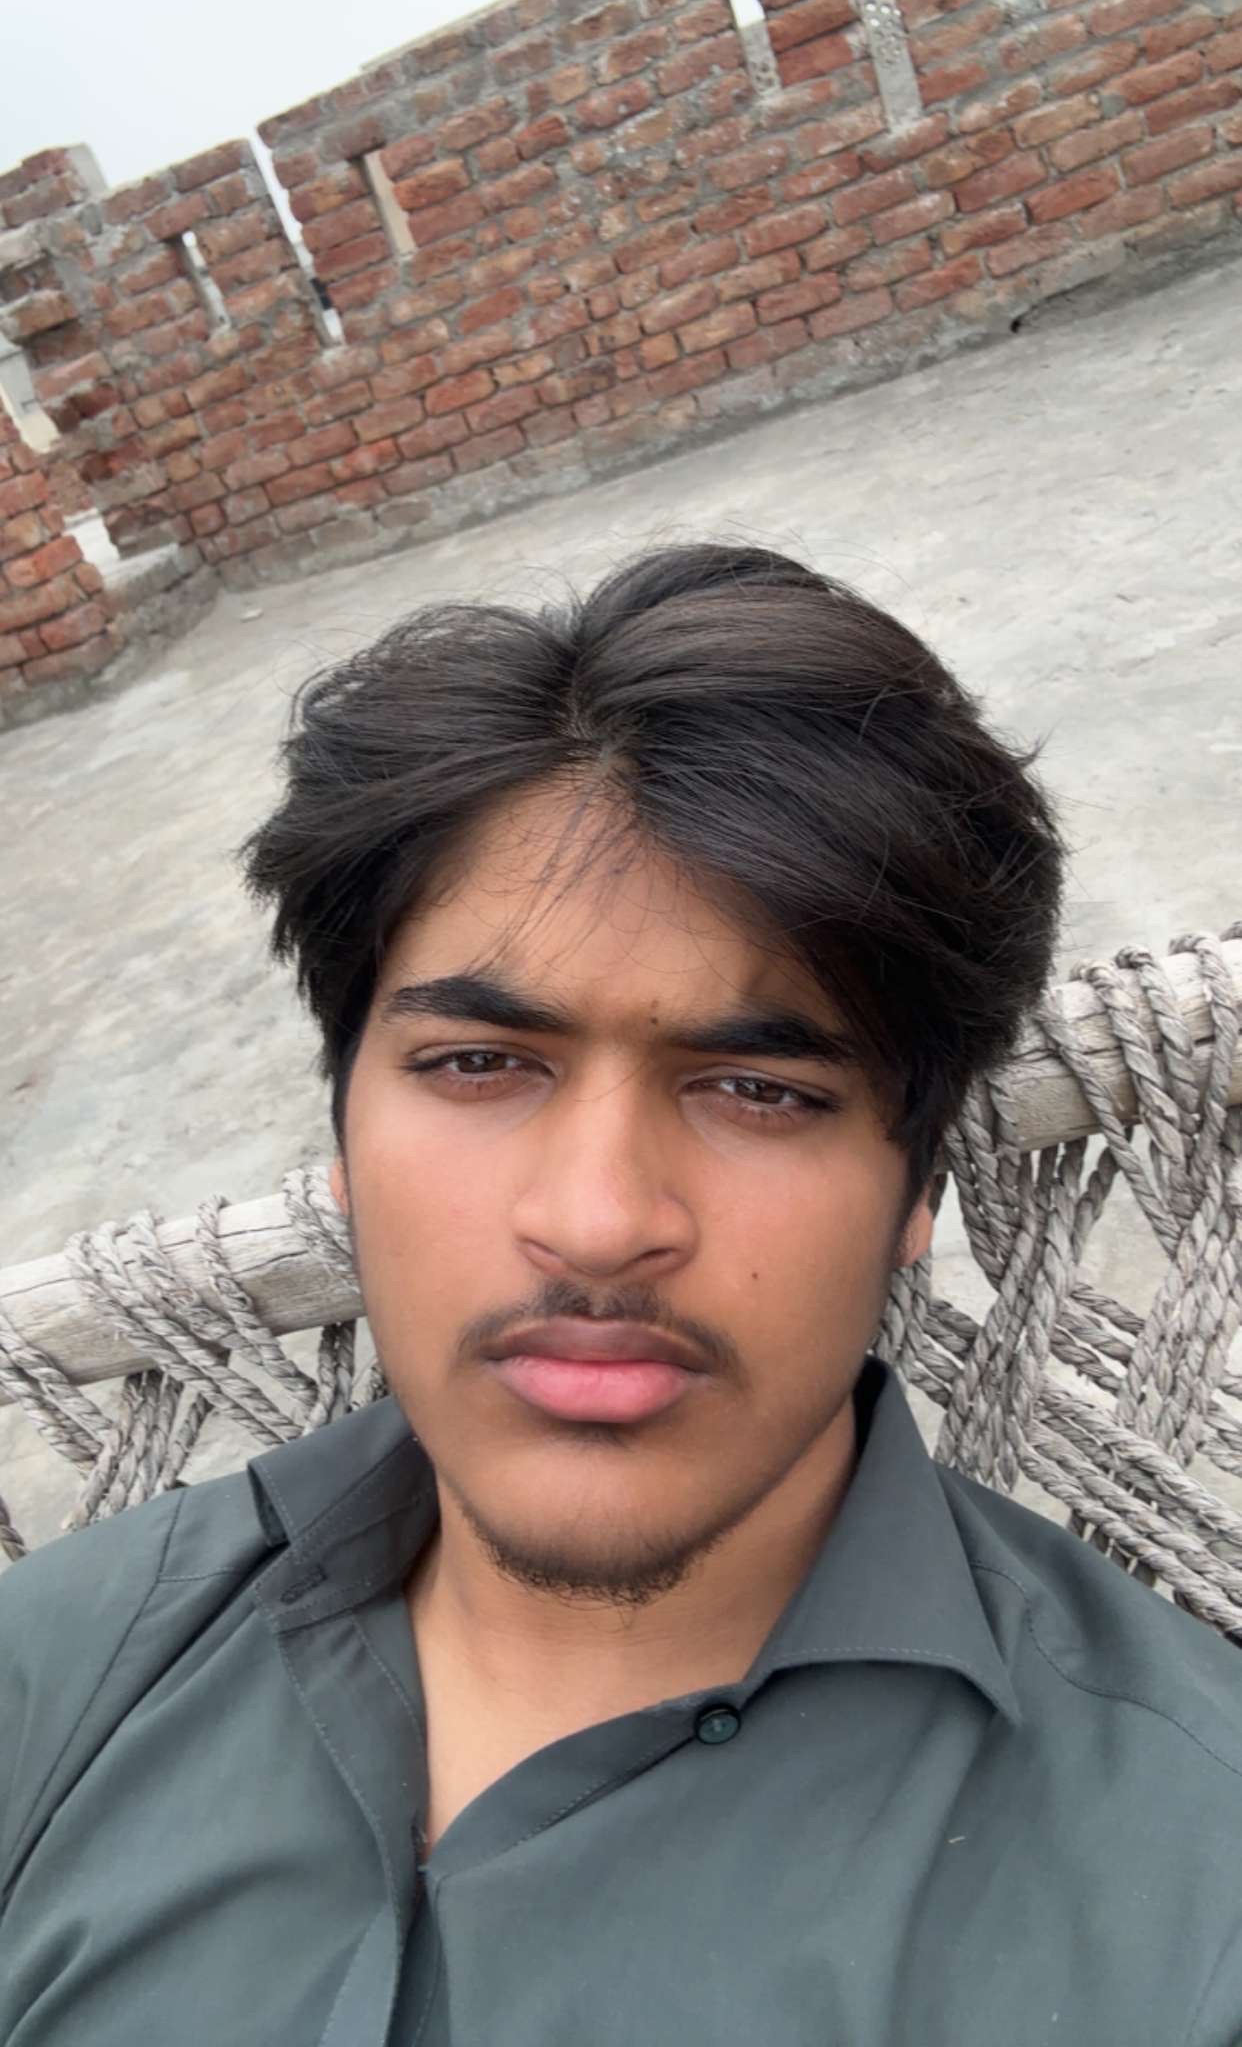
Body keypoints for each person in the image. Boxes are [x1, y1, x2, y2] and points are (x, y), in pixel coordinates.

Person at [1, 542, 1240, 2047]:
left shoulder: (1187, 1891)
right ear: (343, 1143)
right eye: (478, 1063)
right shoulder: (55, 1677)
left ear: (916, 1185)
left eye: (758, 1089)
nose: (596, 1226)